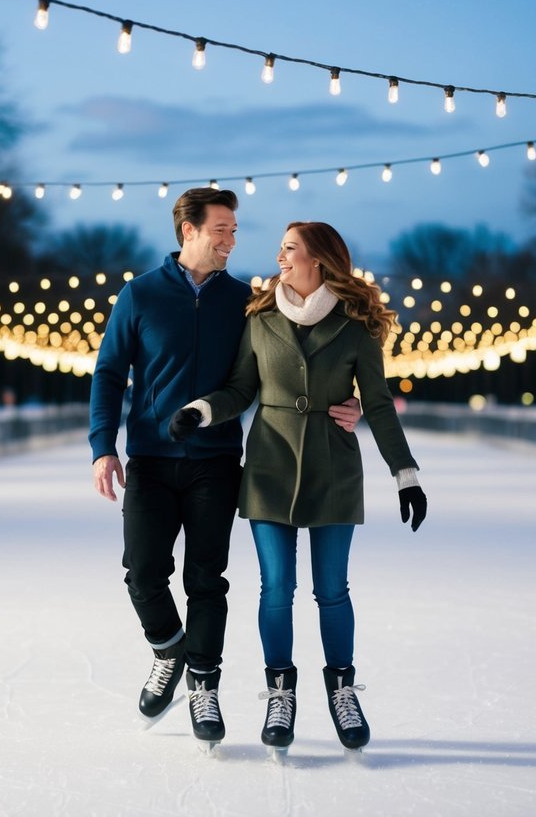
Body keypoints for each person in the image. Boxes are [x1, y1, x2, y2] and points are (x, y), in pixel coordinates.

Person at [89, 189, 362, 749]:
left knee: (206, 581)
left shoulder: (246, 302)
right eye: (222, 230)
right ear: (188, 231)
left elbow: (293, 359)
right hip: (149, 460)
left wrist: (351, 399)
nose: (233, 240)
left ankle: (203, 686)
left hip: (216, 462)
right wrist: (103, 445)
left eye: (235, 230)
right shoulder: (138, 295)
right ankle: (169, 651)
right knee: (142, 571)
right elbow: (109, 373)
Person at [169, 221, 427, 754]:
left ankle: (342, 691)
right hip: (270, 467)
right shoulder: (260, 318)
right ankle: (280, 692)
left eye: (290, 249)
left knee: (332, 590)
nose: (280, 258)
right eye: (282, 249)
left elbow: (376, 404)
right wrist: (200, 412)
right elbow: (241, 388)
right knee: (277, 589)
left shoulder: (355, 326)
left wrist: (405, 475)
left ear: (319, 260)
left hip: (334, 467)